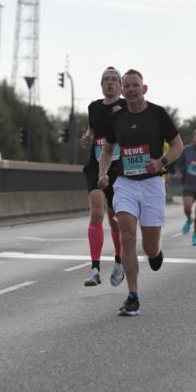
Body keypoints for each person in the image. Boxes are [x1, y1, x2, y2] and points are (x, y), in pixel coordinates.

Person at [97, 70, 183, 316]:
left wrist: (162, 161)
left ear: (144, 89)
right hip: (125, 182)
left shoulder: (157, 114)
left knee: (149, 247)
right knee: (126, 237)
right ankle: (132, 296)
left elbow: (178, 144)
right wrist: (102, 173)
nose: (132, 89)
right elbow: (107, 149)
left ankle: (157, 250)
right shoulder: (117, 118)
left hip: (152, 184)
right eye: (128, 86)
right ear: (123, 92)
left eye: (136, 85)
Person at [80, 67, 126, 287]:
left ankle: (119, 262)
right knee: (96, 211)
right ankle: (95, 269)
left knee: (115, 219)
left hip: (120, 167)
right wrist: (87, 137)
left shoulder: (127, 107)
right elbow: (91, 130)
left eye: (113, 80)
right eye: (106, 80)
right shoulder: (94, 107)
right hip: (96, 164)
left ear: (120, 85)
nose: (109, 83)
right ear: (101, 85)